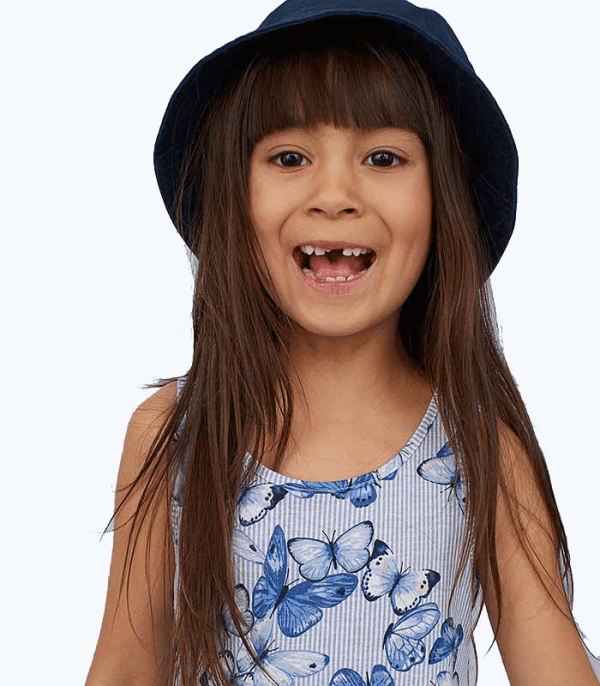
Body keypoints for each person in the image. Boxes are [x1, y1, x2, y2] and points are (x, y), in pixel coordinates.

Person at [85, 1, 600, 685]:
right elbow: (125, 668)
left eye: (383, 157)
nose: (334, 195)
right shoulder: (175, 435)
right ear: (234, 196)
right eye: (290, 157)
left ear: (443, 200)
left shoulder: (480, 450)